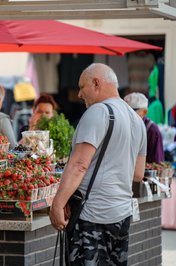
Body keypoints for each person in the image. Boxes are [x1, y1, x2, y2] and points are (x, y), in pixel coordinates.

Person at [49, 63, 147, 265]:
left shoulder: (98, 112)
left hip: (92, 216)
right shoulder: (137, 121)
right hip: (121, 215)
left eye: (82, 87)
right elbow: (138, 174)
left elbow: (79, 165)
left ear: (96, 83)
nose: (79, 94)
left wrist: (58, 204)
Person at [124, 92, 165, 163]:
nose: (127, 115)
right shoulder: (124, 126)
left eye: (131, 111)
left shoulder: (152, 130)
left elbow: (157, 163)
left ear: (144, 112)